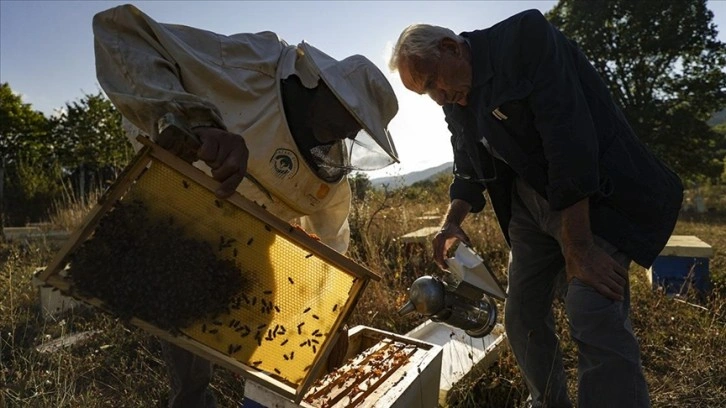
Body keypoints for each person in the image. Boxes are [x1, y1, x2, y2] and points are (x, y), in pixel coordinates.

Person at [93, 4, 399, 407]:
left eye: (358, 126)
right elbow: (120, 31)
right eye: (348, 113)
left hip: (253, 243)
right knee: (184, 349)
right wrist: (195, 122)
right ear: (318, 84)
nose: (348, 129)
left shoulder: (328, 170)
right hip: (181, 214)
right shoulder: (252, 64)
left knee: (267, 353)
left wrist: (334, 312)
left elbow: (332, 242)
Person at [389, 9, 682, 408]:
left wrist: (578, 246)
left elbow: (570, 142)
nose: (438, 98)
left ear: (451, 48)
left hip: (593, 194)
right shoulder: (455, 93)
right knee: (522, 316)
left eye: (431, 83)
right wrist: (451, 221)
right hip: (528, 203)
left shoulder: (525, 39)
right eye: (426, 93)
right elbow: (468, 164)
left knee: (592, 306)